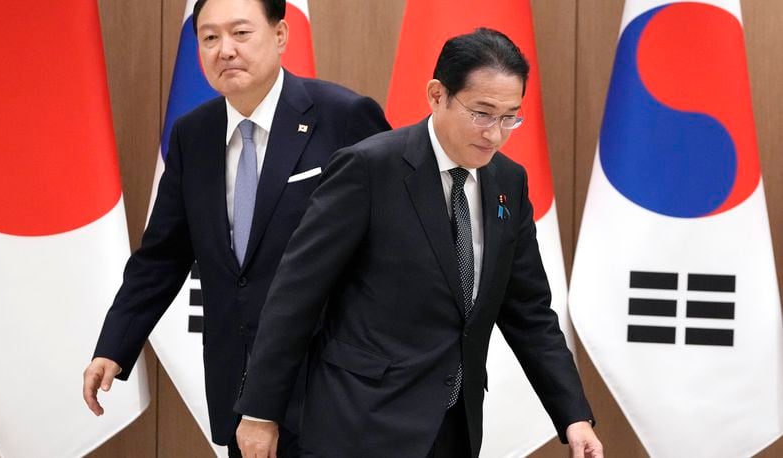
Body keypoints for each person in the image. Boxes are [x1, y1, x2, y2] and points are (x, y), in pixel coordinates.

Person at [234, 28, 603, 457]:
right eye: (481, 113)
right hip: (359, 422)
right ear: (437, 95)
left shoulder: (508, 182)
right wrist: (260, 411)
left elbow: (530, 312)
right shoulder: (369, 169)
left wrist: (573, 416)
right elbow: (296, 294)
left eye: (509, 117)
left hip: (452, 426)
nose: (495, 134)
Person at [81, 0, 390, 455]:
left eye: (240, 33)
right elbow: (163, 255)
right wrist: (115, 344)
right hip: (237, 394)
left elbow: (396, 242)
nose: (224, 50)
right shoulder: (194, 136)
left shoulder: (343, 117)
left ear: (281, 35)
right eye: (209, 38)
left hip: (335, 389)